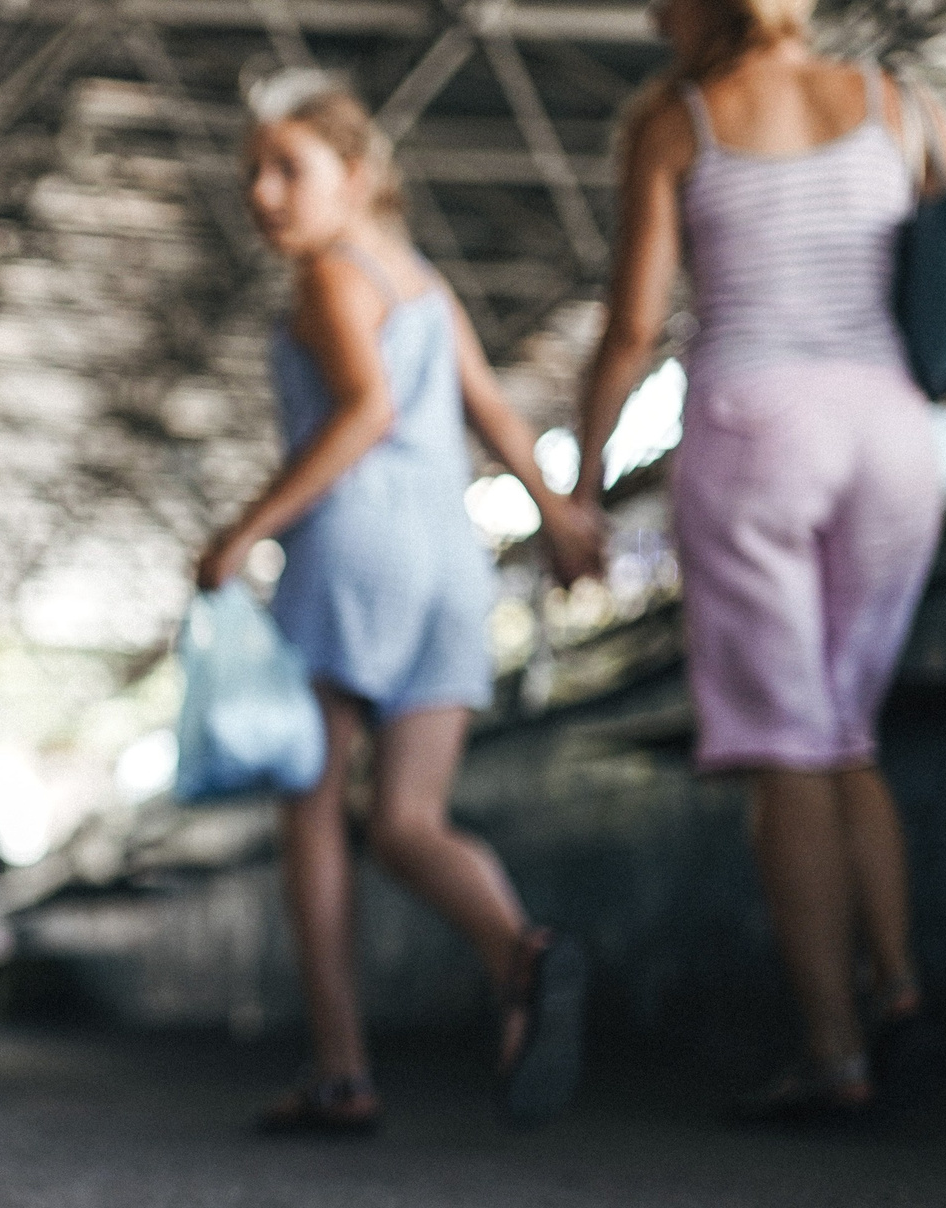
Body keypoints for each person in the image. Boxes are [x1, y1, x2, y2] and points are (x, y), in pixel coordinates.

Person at [568, 0, 946, 1121]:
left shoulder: (676, 118)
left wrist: (580, 481)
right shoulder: (899, 105)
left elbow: (633, 323)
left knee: (785, 747)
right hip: (888, 435)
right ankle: (900, 994)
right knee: (844, 735)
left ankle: (833, 1055)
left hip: (753, 427)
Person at [195, 72, 605, 1134]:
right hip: (449, 561)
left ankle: (341, 1070)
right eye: (252, 173)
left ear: (358, 173)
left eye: (289, 168)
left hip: (352, 551)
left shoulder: (331, 277)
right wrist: (556, 516)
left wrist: (245, 530)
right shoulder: (418, 278)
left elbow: (366, 412)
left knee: (314, 807)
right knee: (409, 822)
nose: (263, 194)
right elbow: (490, 408)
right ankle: (523, 952)